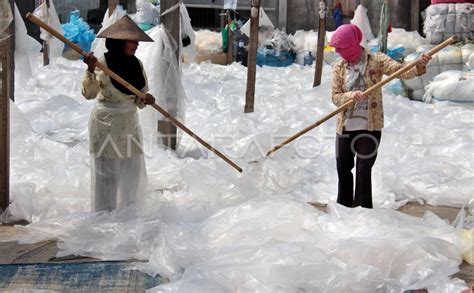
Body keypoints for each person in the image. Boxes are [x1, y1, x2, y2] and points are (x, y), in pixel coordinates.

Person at [329, 24, 431, 208]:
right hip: (345, 126)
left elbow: (402, 71)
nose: (338, 52)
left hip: (370, 126)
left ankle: (362, 209)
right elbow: (335, 96)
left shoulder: (376, 60)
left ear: (352, 44)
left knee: (363, 169)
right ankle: (342, 208)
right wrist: (349, 96)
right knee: (343, 168)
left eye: (341, 48)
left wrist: (419, 65)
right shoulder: (338, 67)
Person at [82, 16, 156, 212]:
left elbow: (139, 98)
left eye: (137, 41)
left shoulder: (136, 65)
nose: (137, 45)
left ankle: (129, 213)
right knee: (107, 176)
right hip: (106, 125)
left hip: (128, 124)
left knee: (132, 171)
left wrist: (146, 99)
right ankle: (105, 217)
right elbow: (89, 94)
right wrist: (90, 70)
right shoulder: (101, 64)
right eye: (132, 41)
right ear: (119, 42)